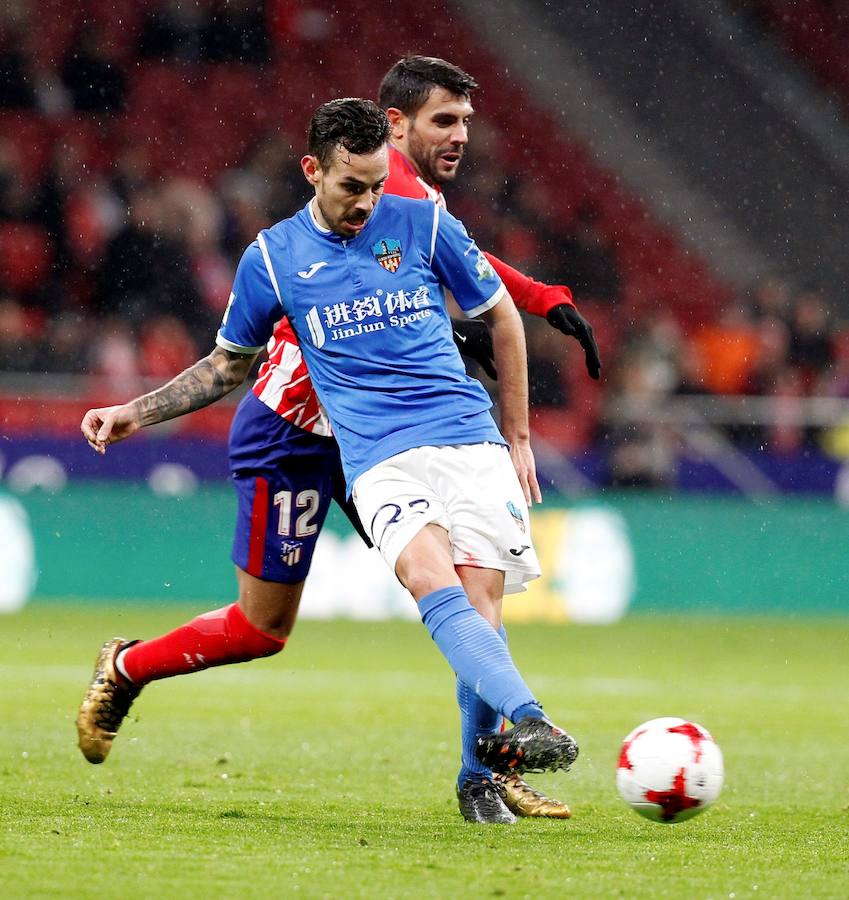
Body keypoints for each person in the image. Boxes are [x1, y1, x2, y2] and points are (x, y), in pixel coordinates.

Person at [77, 58, 599, 822]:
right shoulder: (287, 249)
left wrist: (524, 312)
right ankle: (127, 667)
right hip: (291, 433)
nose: (455, 137)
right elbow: (234, 358)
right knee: (262, 628)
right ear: (394, 127)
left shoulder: (414, 210)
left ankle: (483, 773)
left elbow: (474, 286)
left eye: (462, 123)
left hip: (392, 440)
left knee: (463, 588)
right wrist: (139, 410)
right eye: (442, 122)